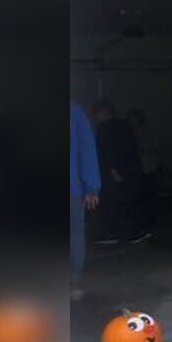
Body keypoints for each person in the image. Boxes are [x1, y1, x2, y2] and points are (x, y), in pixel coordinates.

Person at [92, 100, 150, 245]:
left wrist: (112, 170)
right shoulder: (125, 125)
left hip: (114, 172)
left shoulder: (105, 128)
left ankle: (110, 233)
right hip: (131, 170)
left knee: (111, 202)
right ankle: (136, 231)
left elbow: (107, 151)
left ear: (102, 113)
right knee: (131, 201)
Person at [70, 102, 101, 300]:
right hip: (71, 188)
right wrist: (91, 186)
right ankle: (73, 280)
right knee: (74, 233)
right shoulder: (74, 112)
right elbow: (86, 149)